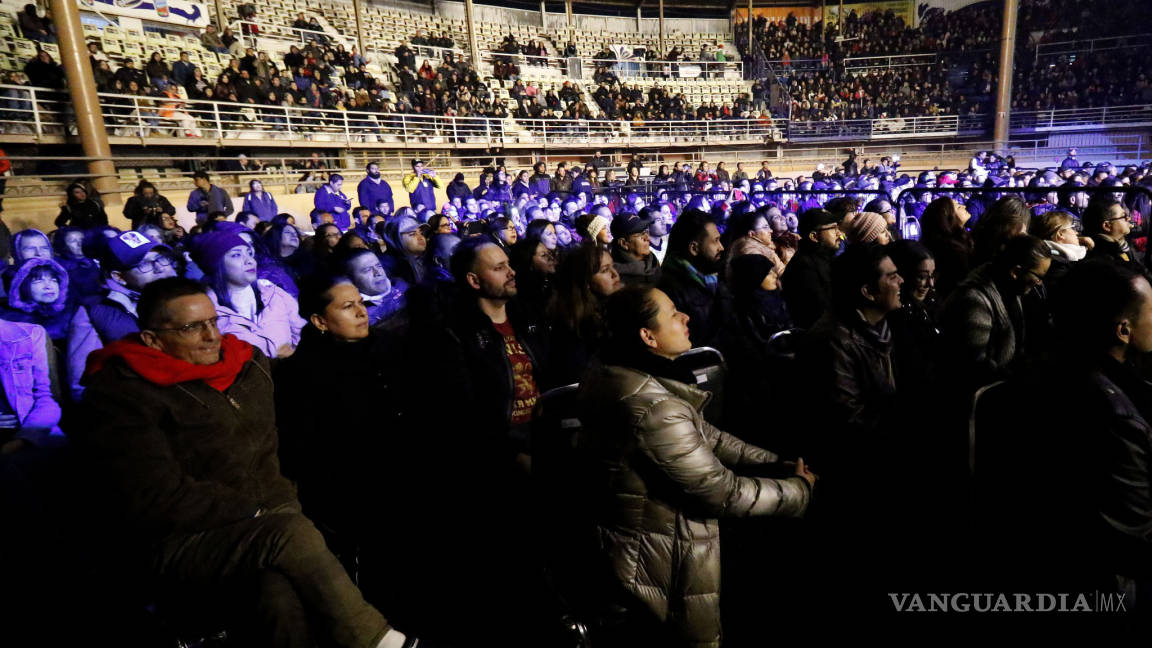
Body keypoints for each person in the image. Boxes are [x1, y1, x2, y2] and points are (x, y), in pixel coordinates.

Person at [76, 277, 419, 648]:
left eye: (212, 321)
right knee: (290, 536)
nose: (210, 336)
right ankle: (380, 641)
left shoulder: (246, 365)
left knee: (276, 593)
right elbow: (153, 495)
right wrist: (257, 511)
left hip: (272, 519)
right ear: (152, 339)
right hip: (188, 538)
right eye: (192, 327)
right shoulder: (123, 393)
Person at [575, 285, 813, 647]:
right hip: (663, 561)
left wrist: (775, 463)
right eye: (673, 313)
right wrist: (800, 491)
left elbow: (708, 436)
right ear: (647, 336)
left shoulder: (618, 373)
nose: (685, 317)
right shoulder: (653, 406)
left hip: (640, 543)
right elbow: (721, 492)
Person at [938, 235, 1051, 392]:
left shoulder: (1010, 289)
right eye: (1038, 277)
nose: (1039, 284)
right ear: (1016, 272)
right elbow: (975, 366)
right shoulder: (973, 302)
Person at [192, 229, 305, 359]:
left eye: (250, 253)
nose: (250, 261)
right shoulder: (208, 313)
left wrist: (295, 355)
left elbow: (300, 330)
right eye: (236, 255)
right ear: (216, 265)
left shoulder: (272, 292)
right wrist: (275, 354)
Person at [545, 243, 621, 387]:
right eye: (605, 270)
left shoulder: (618, 307)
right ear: (586, 281)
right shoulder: (574, 325)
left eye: (613, 266)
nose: (615, 274)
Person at [84, 230, 178, 344]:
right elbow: (82, 361)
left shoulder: (194, 295)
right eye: (145, 264)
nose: (160, 267)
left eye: (161, 258)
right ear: (119, 277)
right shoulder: (96, 314)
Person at [656, 209, 729, 347]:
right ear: (694, 248)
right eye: (716, 241)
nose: (721, 247)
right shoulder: (670, 288)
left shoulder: (715, 276)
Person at [781, 208, 840, 329]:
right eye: (833, 229)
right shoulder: (803, 267)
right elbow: (819, 311)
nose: (839, 233)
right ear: (814, 236)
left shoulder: (824, 257)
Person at [333, 248, 406, 331]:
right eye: (367, 270)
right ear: (351, 279)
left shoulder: (401, 284)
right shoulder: (359, 314)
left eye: (378, 266)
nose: (377, 273)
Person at [1083, 197, 1148, 278]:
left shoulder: (1122, 246)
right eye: (1123, 216)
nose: (1128, 218)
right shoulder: (1105, 259)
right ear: (1107, 226)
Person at [610, 212, 661, 288]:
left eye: (646, 232)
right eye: (641, 235)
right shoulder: (614, 277)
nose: (647, 238)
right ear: (624, 243)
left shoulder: (654, 263)